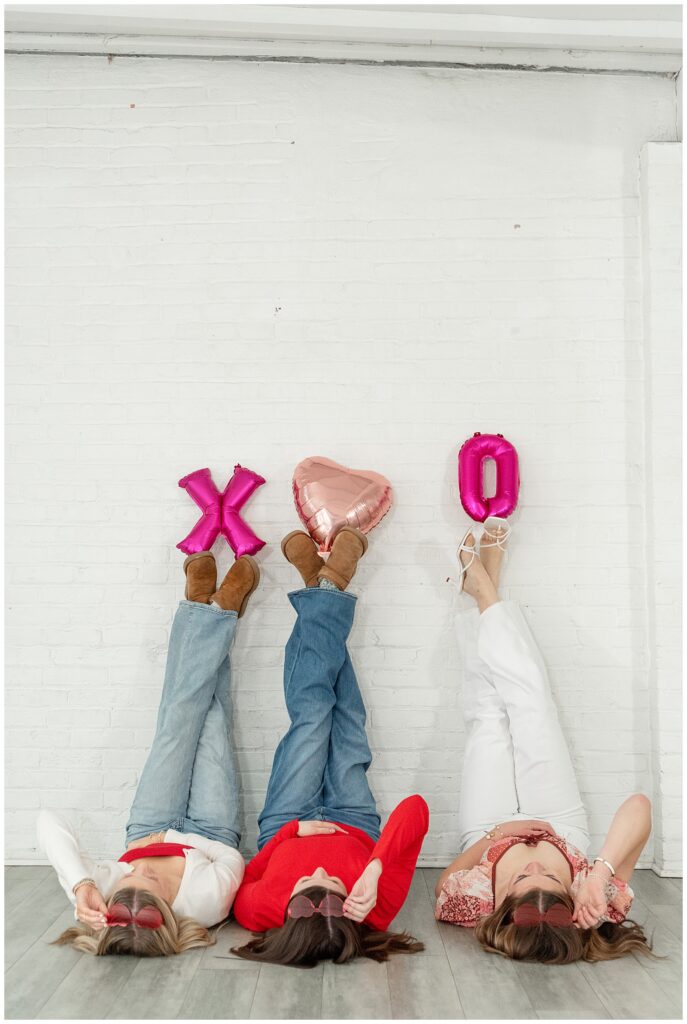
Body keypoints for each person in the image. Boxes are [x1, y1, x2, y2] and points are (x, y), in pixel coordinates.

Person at [434, 520, 653, 964]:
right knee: (532, 700)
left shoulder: (477, 905)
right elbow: (640, 807)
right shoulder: (595, 897)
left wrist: (499, 834)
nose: (532, 865)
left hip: (487, 829)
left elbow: (444, 885)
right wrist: (599, 873)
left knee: (488, 714)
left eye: (519, 880)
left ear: (499, 905)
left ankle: (484, 589)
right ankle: (483, 590)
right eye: (548, 880)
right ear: (571, 905)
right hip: (561, 826)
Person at [37, 551, 258, 956]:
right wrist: (172, 838)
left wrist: (81, 884)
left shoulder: (99, 896)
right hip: (212, 834)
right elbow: (230, 859)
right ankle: (205, 607)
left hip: (148, 824)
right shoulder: (204, 905)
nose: (138, 869)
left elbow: (48, 822)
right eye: (151, 882)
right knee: (212, 717)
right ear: (171, 913)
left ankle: (214, 608)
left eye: (128, 878)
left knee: (177, 718)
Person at [232, 527, 430, 968]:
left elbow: (241, 879)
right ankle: (321, 588)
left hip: (288, 819)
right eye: (334, 890)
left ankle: (324, 588)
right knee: (346, 715)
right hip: (353, 818)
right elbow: (415, 810)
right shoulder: (375, 909)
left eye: (306, 893)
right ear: (351, 915)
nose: (321, 875)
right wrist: (376, 868)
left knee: (311, 715)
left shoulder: (260, 911)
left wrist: (292, 833)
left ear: (287, 917)